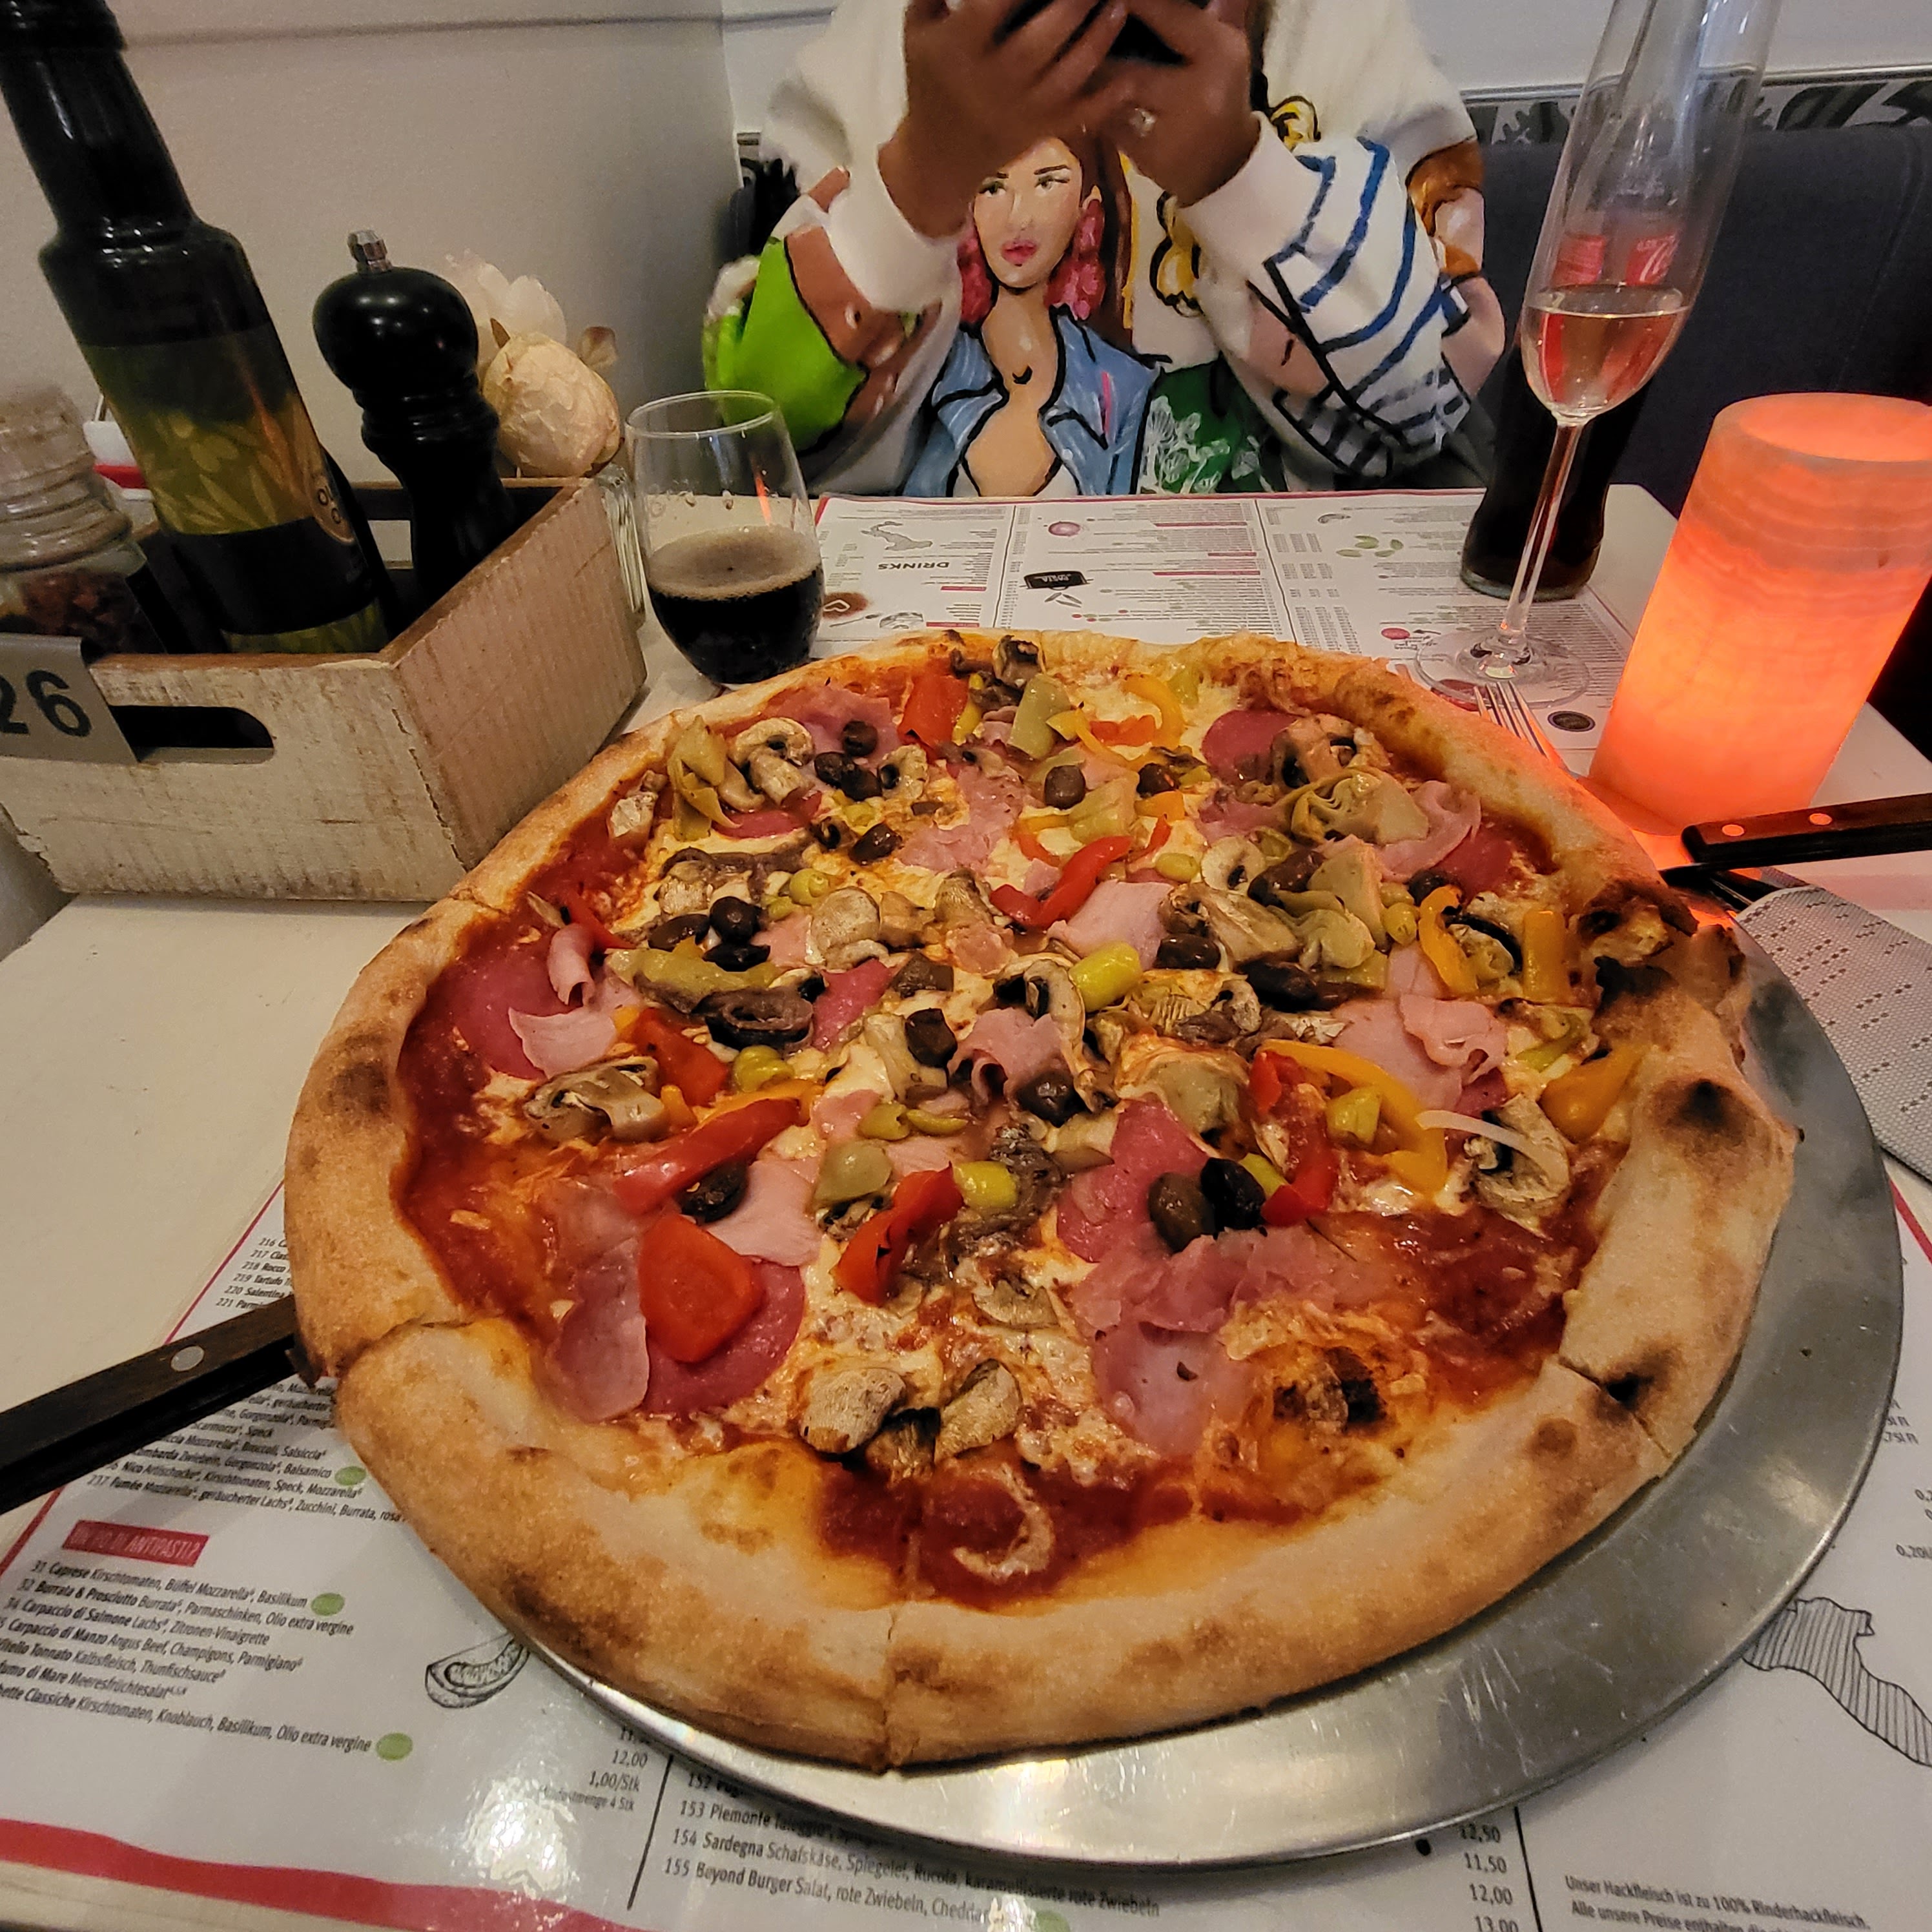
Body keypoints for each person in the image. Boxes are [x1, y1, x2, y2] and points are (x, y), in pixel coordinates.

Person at [704, 0, 1505, 498]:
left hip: (1272, 639)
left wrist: (1237, 173)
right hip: (931, 646)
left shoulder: (1348, 42)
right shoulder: (875, 58)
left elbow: (1429, 407)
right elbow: (759, 449)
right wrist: (923, 175)